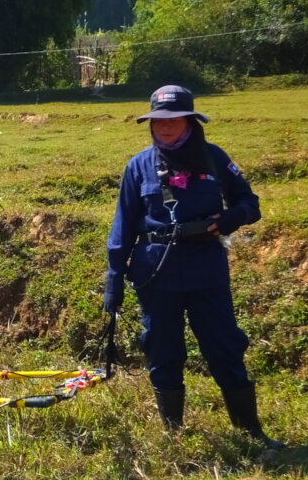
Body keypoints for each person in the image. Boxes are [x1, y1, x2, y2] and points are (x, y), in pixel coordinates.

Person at [104, 85, 283, 449]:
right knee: (162, 349)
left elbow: (251, 202)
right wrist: (114, 280)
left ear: (190, 121)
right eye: (157, 120)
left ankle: (251, 431)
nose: (164, 127)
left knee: (224, 345)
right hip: (156, 273)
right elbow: (122, 225)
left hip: (206, 270)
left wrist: (232, 217)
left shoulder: (215, 159)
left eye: (173, 119)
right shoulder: (138, 166)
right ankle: (174, 434)